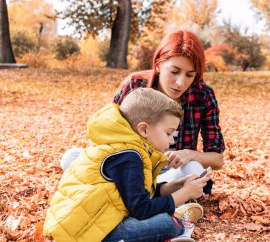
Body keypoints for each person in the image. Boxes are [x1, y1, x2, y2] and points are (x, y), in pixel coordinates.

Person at [61, 29, 225, 189]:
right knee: (71, 158)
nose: (180, 82)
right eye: (174, 71)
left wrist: (190, 154)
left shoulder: (203, 95)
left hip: (171, 173)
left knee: (195, 170)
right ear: (158, 65)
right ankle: (153, 197)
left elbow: (217, 159)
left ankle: (142, 195)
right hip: (130, 167)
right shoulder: (135, 84)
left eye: (190, 75)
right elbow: (103, 131)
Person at [44, 88, 209, 242]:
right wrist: (185, 194)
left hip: (84, 222)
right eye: (168, 133)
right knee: (169, 224)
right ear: (144, 130)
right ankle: (179, 227)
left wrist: (178, 186)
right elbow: (141, 209)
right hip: (85, 232)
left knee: (163, 219)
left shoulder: (125, 148)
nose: (172, 140)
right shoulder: (128, 157)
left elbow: (136, 194)